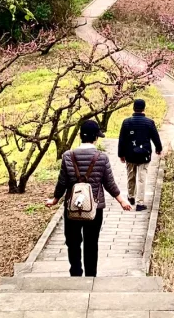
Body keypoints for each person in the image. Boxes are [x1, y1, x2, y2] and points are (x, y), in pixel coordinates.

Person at [46, 119, 131, 277]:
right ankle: (91, 276)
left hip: (72, 208)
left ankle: (76, 273)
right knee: (91, 243)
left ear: (80, 136)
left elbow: (62, 182)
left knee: (73, 242)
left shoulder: (67, 156)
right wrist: (122, 200)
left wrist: (55, 200)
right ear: (95, 138)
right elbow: (109, 183)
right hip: (95, 208)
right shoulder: (102, 157)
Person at [117, 97, 163, 211]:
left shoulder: (126, 122)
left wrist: (121, 154)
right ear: (144, 109)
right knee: (142, 178)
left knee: (130, 176)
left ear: (133, 108)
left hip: (130, 154)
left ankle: (131, 196)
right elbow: (155, 137)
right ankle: (140, 203)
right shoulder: (149, 122)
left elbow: (122, 140)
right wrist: (158, 148)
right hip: (144, 154)